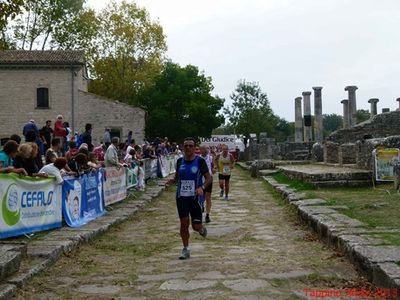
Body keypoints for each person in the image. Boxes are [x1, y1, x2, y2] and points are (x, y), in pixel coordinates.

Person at [167, 137, 212, 260]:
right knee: (184, 223)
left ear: (194, 148)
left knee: (195, 227)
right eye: (185, 146)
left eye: (190, 146)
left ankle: (201, 229)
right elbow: (177, 178)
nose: (188, 148)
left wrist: (202, 187)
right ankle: (185, 249)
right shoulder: (179, 161)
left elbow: (209, 178)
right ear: (182, 147)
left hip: (195, 198)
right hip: (181, 197)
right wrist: (172, 181)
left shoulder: (200, 161)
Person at [199, 145, 215, 223]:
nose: (206, 150)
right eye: (204, 149)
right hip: (200, 180)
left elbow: (213, 167)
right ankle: (201, 205)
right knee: (201, 196)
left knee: (208, 197)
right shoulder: (198, 159)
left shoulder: (210, 158)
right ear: (200, 150)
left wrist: (213, 170)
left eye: (206, 149)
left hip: (208, 180)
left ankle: (207, 215)